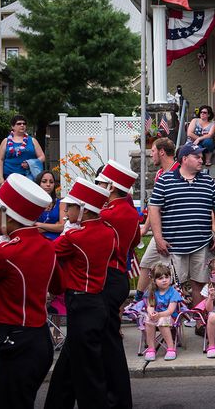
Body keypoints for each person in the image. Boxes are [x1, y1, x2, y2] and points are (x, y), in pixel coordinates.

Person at [0, 174, 61, 409]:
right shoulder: (46, 246)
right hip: (39, 338)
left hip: (16, 339)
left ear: (7, 217)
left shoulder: (6, 252)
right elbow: (56, 286)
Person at [44, 178, 117, 409]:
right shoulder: (108, 231)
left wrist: (67, 232)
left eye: (72, 207)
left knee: (88, 373)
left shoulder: (75, 237)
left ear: (84, 210)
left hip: (82, 303)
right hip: (94, 302)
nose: (66, 212)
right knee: (73, 362)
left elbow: (47, 252)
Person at [149, 142, 215, 309]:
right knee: (168, 286)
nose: (201, 160)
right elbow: (153, 209)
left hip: (201, 244)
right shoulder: (165, 180)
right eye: (197, 157)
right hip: (172, 245)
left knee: (200, 285)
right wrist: (158, 238)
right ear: (185, 159)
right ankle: (170, 324)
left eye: (202, 157)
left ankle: (200, 320)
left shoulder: (208, 181)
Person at [96, 159, 141, 409]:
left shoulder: (108, 214)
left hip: (108, 277)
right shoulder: (129, 212)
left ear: (111, 187)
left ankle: (115, 397)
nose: (99, 186)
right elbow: (134, 241)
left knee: (109, 344)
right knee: (109, 341)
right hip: (120, 276)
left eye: (102, 182)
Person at [134, 137, 179, 301]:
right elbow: (154, 206)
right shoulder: (160, 173)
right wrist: (145, 228)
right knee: (146, 263)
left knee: (171, 272)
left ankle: (173, 305)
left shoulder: (178, 171)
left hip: (175, 230)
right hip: (160, 230)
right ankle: (138, 299)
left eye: (152, 151)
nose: (151, 155)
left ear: (161, 152)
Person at [142, 263, 183, 362]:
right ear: (154, 280)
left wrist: (159, 315)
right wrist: (151, 313)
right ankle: (151, 348)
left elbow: (170, 311)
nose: (164, 280)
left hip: (171, 318)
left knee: (162, 320)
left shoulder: (173, 292)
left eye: (166, 277)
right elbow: (150, 306)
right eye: (160, 278)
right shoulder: (152, 291)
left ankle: (170, 347)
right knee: (148, 319)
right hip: (156, 316)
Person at [0, 114, 45, 185]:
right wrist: (0, 177)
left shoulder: (32, 140)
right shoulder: (6, 141)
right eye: (19, 124)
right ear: (12, 126)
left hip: (28, 177)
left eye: (24, 124)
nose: (22, 125)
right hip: (9, 177)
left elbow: (42, 157)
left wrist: (30, 163)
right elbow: (0, 159)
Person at [33, 170, 65, 240]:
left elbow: (62, 227)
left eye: (51, 182)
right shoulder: (33, 203)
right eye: (44, 181)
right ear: (38, 183)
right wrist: (54, 226)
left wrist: (40, 225)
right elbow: (32, 229)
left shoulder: (61, 203)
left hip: (56, 241)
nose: (48, 184)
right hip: (37, 240)